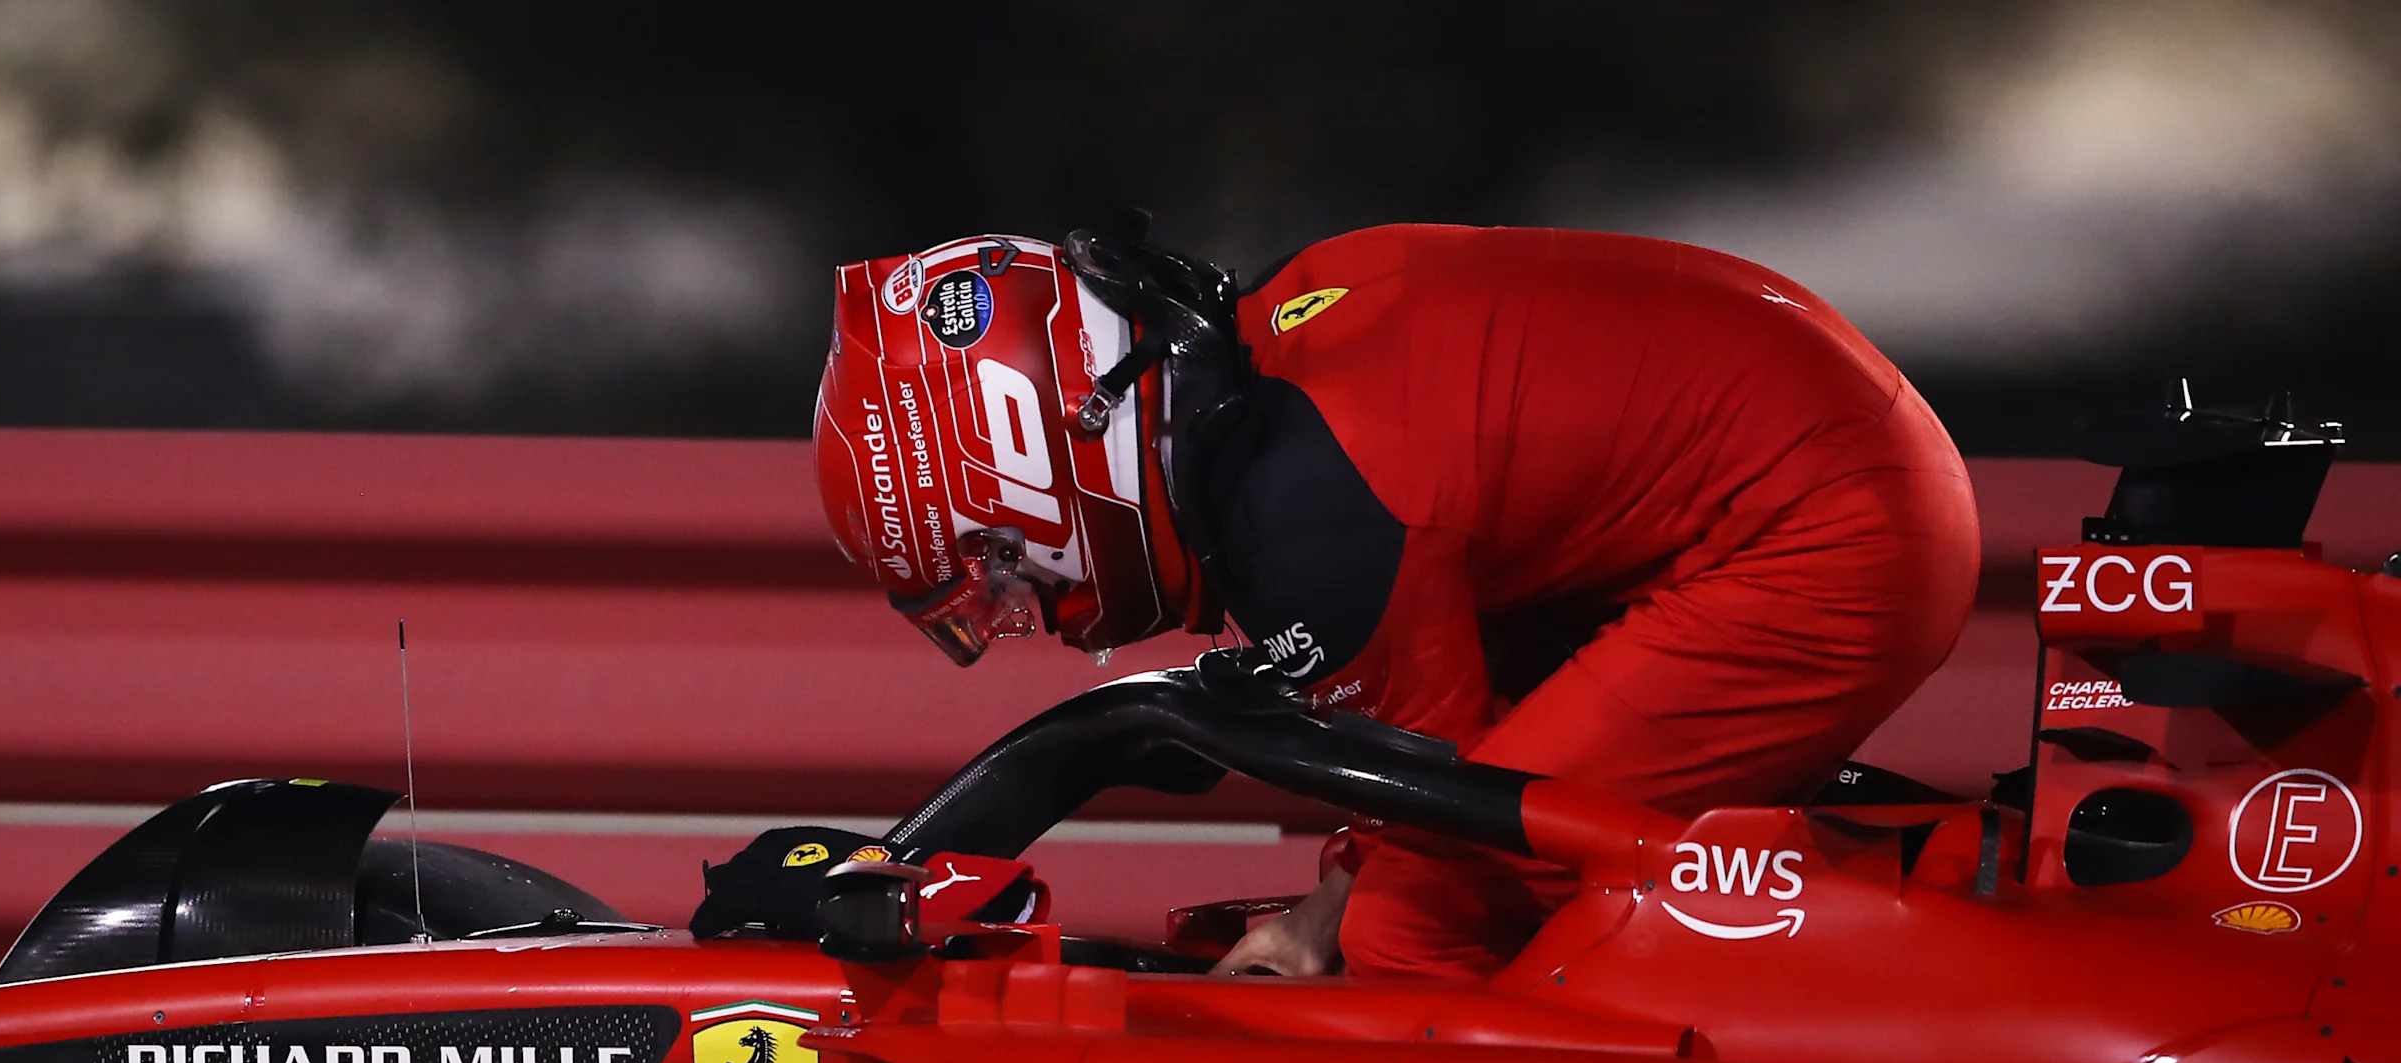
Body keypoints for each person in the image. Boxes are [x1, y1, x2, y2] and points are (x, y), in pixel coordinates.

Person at [811, 222, 1979, 982]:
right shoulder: (1276, 366)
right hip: (1814, 467)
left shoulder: (1312, 513)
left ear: (1046, 459)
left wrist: (1322, 929)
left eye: (1005, 567)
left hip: (1819, 527)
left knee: (1411, 935)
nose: (1039, 611)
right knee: (1385, 895)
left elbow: (1438, 805)